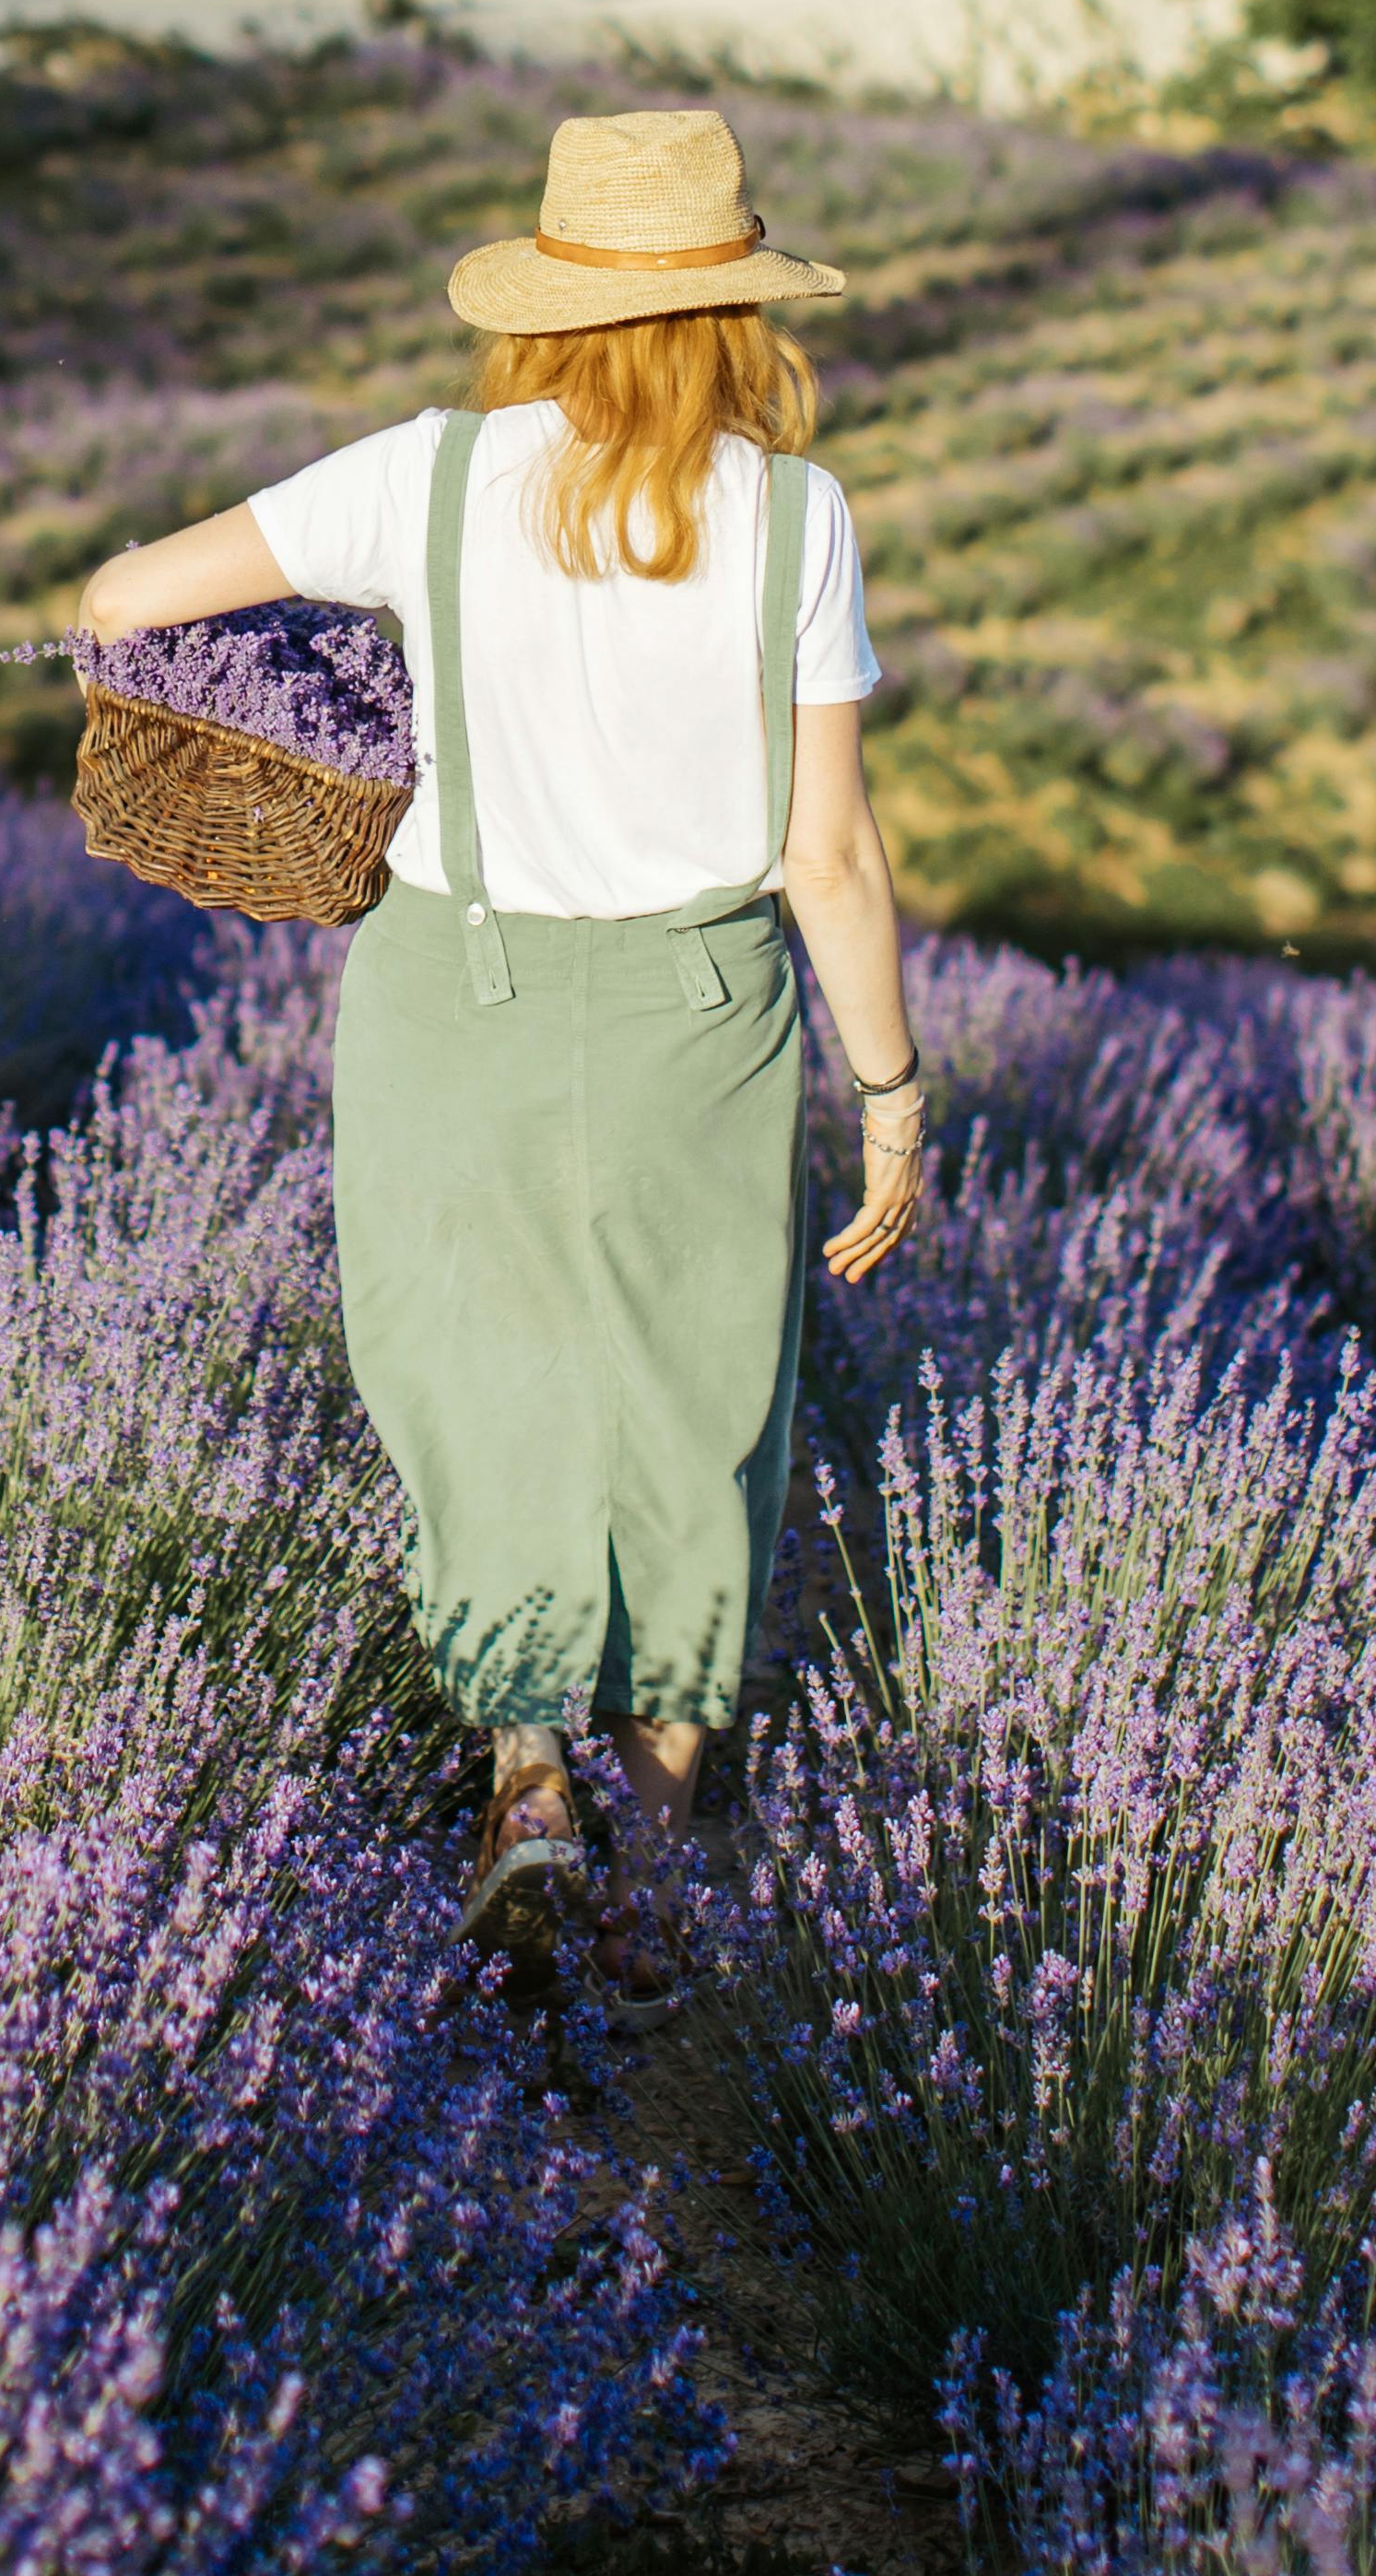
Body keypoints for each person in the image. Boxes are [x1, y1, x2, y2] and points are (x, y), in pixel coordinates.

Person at [77, 100, 923, 1995]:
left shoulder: (426, 480)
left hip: (449, 1001)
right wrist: (891, 1091)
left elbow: (122, 604)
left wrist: (340, 702)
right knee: (694, 1413)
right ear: (735, 309)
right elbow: (828, 854)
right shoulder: (796, 516)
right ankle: (651, 1870)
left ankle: (525, 1768)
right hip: (698, 1011)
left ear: (542, 302)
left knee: (478, 1383)